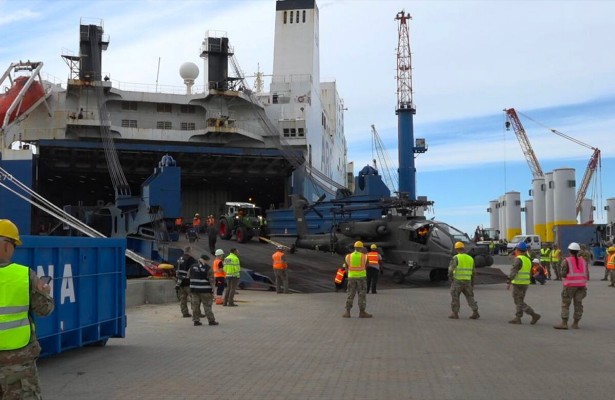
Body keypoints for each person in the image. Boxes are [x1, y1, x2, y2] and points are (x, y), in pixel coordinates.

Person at [0, 219, 54, 399]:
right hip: (18, 363)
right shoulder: (24, 275)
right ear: (7, 246)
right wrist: (46, 292)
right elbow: (44, 309)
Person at [554, 242, 589, 330]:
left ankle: (564, 323)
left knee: (565, 304)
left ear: (569, 251)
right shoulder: (583, 260)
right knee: (578, 304)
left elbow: (563, 274)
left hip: (570, 285)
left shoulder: (567, 260)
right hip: (581, 285)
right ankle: (575, 323)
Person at [507, 242, 541, 325]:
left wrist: (509, 280)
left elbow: (514, 271)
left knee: (518, 301)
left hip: (518, 283)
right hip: (525, 283)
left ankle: (533, 314)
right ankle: (518, 318)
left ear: (517, 250)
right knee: (520, 300)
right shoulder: (528, 260)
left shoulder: (518, 259)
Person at [448, 241, 480, 320]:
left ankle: (455, 313)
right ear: (463, 248)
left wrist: (451, 278)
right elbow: (473, 272)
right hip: (467, 282)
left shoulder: (456, 257)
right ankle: (475, 312)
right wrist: (472, 283)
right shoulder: (470, 258)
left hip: (457, 281)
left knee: (455, 297)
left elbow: (451, 270)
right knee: (470, 297)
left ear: (456, 249)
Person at [342, 241, 372, 318]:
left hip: (351, 277)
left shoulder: (348, 256)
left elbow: (346, 268)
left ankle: (347, 312)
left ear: (354, 248)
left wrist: (350, 274)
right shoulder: (364, 256)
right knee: (361, 295)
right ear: (361, 248)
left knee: (350, 294)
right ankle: (362, 312)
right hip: (361, 278)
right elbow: (366, 266)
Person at [188, 254, 218, 326]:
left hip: (194, 290)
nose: (208, 262)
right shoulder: (208, 268)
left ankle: (196, 321)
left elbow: (188, 276)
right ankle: (211, 321)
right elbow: (212, 281)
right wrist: (214, 291)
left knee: (195, 306)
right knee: (207, 306)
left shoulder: (192, 267)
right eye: (207, 261)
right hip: (205, 291)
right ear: (205, 260)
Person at [176, 246, 196, 317]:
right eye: (191, 251)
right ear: (189, 251)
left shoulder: (179, 259)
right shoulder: (190, 259)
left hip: (180, 282)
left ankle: (185, 313)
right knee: (194, 298)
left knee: (183, 298)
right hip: (188, 282)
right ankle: (196, 313)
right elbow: (193, 270)